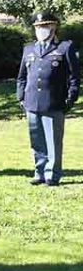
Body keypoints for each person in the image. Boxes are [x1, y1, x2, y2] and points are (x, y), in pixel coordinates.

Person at [16, 11, 80, 186]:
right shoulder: (29, 49)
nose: (41, 30)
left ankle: (52, 174)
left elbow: (74, 78)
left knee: (53, 142)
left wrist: (70, 99)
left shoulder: (64, 48)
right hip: (31, 102)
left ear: (53, 27)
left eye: (44, 26)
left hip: (54, 103)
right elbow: (22, 76)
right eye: (38, 27)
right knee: (36, 140)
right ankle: (39, 172)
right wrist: (21, 97)